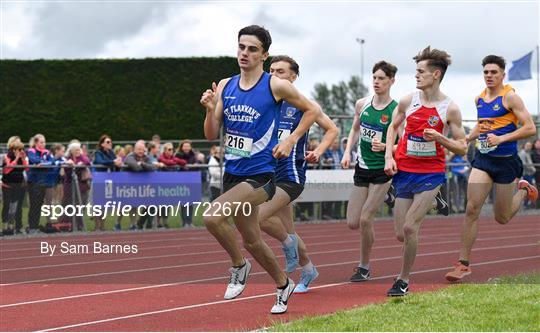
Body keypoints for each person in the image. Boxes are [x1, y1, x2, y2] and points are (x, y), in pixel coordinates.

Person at [200, 25, 320, 314]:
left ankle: (239, 267)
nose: (244, 53)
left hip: (261, 177)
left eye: (252, 49)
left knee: (212, 217)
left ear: (263, 55)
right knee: (253, 240)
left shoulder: (274, 85)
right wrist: (209, 108)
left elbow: (312, 110)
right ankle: (283, 285)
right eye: (241, 47)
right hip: (233, 173)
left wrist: (292, 138)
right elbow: (210, 133)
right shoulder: (227, 84)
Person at [445, 55, 537, 282]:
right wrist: (468, 138)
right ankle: (463, 264)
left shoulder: (510, 98)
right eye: (486, 72)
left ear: (502, 75)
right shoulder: (480, 99)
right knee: (472, 208)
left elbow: (530, 128)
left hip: (506, 163)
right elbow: (482, 124)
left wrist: (502, 138)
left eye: (494, 72)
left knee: (502, 217)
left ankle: (524, 189)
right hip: (484, 161)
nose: (489, 76)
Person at [384, 46, 467, 296]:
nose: (416, 75)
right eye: (416, 71)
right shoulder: (408, 100)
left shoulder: (449, 108)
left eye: (421, 71)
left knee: (411, 228)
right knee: (400, 234)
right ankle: (435, 202)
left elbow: (462, 148)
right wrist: (389, 155)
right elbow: (392, 127)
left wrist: (441, 138)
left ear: (436, 74)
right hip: (405, 172)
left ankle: (403, 280)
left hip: (431, 174)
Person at [259, 55, 338, 293]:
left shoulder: (303, 104)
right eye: (271, 70)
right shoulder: (266, 102)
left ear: (293, 76)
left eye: (280, 71)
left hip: (290, 175)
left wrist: (319, 151)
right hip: (267, 173)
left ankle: (287, 244)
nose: (274, 75)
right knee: (290, 230)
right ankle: (308, 268)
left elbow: (332, 129)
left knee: (258, 217)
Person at [341, 60, 399, 283]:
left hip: (382, 170)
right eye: (374, 77)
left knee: (366, 219)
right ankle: (387, 195)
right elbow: (355, 129)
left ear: (391, 81)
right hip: (362, 167)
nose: (376, 82)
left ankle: (364, 266)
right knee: (352, 222)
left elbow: (403, 144)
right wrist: (347, 152)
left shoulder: (395, 110)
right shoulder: (362, 104)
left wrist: (387, 148)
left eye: (382, 78)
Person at [93, 135, 123, 231]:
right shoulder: (98, 152)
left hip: (109, 181)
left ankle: (103, 225)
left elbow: (115, 163)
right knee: (98, 204)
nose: (110, 144)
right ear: (102, 144)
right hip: (100, 180)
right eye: (107, 142)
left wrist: (118, 163)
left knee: (106, 204)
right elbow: (100, 161)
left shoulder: (111, 153)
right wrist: (113, 162)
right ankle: (97, 226)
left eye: (110, 142)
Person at [26, 134, 54, 233]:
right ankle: (31, 226)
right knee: (34, 204)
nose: (44, 144)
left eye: (44, 142)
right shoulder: (31, 151)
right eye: (41, 142)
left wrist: (43, 163)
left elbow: (52, 162)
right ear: (36, 143)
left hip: (43, 181)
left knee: (39, 205)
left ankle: (35, 226)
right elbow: (33, 160)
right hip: (33, 181)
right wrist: (42, 162)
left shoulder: (47, 152)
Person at [1, 137, 28, 236]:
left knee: (14, 207)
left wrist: (23, 158)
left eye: (21, 149)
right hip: (7, 185)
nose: (20, 151)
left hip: (18, 185)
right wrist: (16, 158)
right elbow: (7, 170)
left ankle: (12, 226)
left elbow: (26, 168)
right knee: (7, 206)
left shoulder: (21, 157)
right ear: (13, 149)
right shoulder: (7, 156)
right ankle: (5, 226)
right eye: (18, 149)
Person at [518, 141, 536, 209]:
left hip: (529, 174)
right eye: (527, 145)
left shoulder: (527, 153)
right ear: (524, 145)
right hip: (525, 174)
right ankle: (525, 204)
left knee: (530, 189)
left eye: (530, 146)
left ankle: (528, 203)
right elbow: (524, 164)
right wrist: (533, 169)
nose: (529, 147)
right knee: (527, 189)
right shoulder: (523, 153)